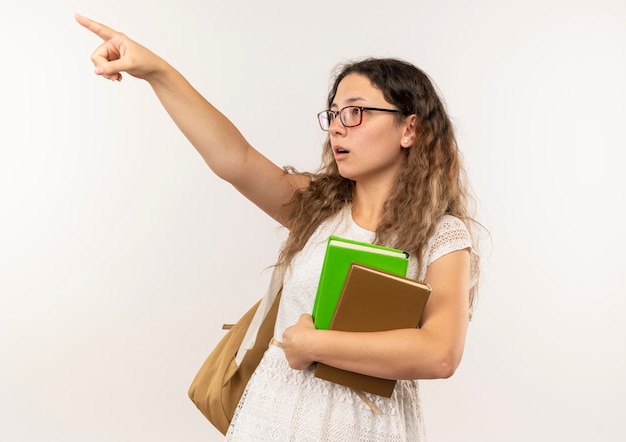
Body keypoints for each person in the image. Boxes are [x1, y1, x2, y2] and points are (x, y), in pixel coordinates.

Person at [76, 13, 480, 441]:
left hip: (368, 427)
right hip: (273, 417)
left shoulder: (442, 235)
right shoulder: (318, 208)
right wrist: (156, 70)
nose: (339, 125)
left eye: (357, 112)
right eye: (335, 113)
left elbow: (440, 354)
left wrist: (313, 346)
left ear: (410, 128)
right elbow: (235, 159)